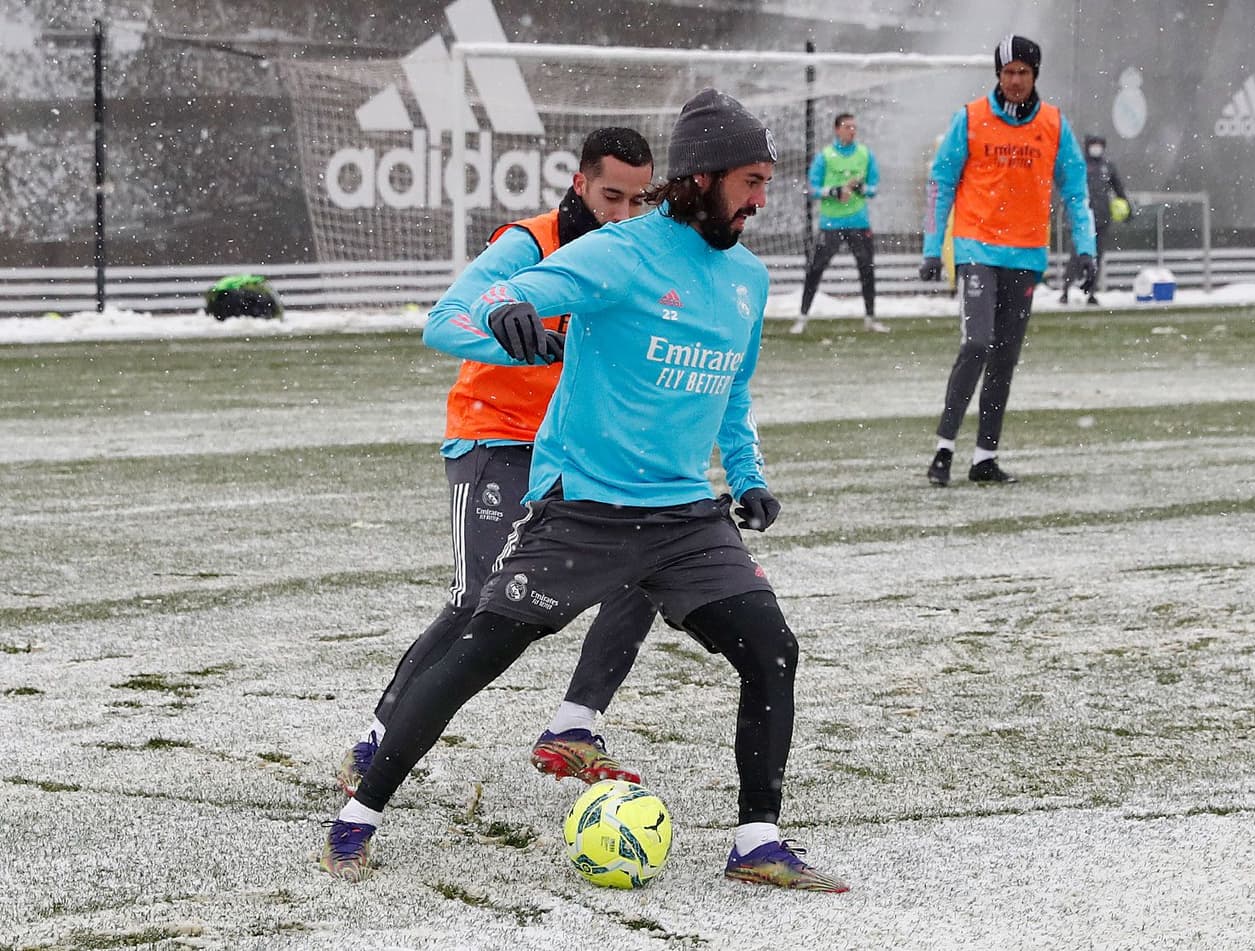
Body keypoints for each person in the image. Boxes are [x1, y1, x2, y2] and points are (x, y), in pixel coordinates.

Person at [321, 87, 848, 894]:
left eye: (765, 183)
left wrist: (748, 475)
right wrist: (508, 316)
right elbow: (498, 296)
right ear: (703, 178)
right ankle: (360, 814)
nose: (760, 200)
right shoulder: (620, 251)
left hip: (684, 515)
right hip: (583, 508)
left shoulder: (747, 277)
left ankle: (757, 841)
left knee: (771, 648)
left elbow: (734, 388)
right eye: (751, 181)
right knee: (478, 651)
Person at [333, 128, 657, 800]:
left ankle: (573, 725)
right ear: (580, 184)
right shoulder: (529, 245)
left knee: (651, 559)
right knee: (478, 597)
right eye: (611, 197)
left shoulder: (634, 255)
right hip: (496, 437)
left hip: (575, 447)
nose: (623, 214)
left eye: (637, 201)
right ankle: (377, 740)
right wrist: (515, 343)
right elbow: (441, 322)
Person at [919, 34, 1095, 487]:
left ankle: (985, 458)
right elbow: (940, 181)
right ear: (998, 75)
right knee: (977, 344)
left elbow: (1076, 190)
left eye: (1023, 72)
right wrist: (932, 248)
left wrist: (1086, 247)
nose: (1015, 80)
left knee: (1004, 358)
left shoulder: (1054, 124)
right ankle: (944, 449)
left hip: (1027, 254)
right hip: (977, 248)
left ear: (1036, 75)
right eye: (1008, 72)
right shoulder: (971, 118)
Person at [791, 113, 888, 334]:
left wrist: (862, 189)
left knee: (867, 269)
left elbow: (874, 187)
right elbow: (811, 189)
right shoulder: (825, 156)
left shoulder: (865, 154)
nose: (851, 131)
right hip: (831, 224)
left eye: (854, 127)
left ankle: (870, 318)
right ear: (837, 130)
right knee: (815, 269)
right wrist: (833, 191)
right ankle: (802, 317)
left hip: (859, 222)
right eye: (847, 126)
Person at [1060, 134, 1128, 305]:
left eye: (1099, 144)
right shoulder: (1080, 165)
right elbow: (1070, 189)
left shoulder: (1108, 167)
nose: (1096, 148)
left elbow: (1119, 189)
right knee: (1077, 256)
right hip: (1081, 220)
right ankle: (1066, 290)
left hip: (1102, 219)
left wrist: (1128, 210)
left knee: (1097, 257)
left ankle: (1091, 292)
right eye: (1093, 144)